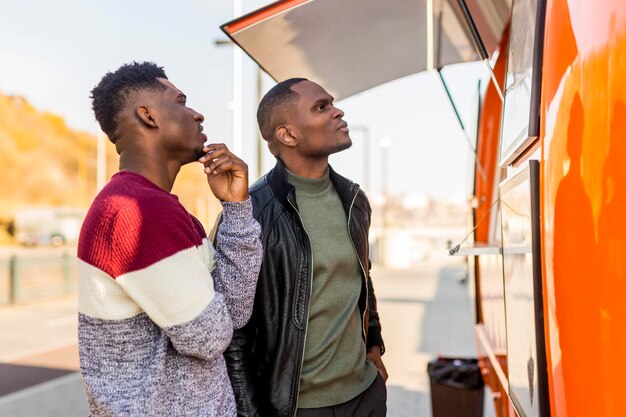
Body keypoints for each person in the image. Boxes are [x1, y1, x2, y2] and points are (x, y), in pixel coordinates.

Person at [77, 61, 262, 416]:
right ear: (148, 116)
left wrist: (236, 207)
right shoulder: (134, 211)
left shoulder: (166, 211)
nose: (198, 115)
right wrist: (215, 310)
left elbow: (234, 315)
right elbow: (210, 338)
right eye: (181, 101)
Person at [225, 78, 387, 417]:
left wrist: (374, 346)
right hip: (296, 407)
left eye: (332, 103)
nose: (338, 111)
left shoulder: (354, 200)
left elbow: (362, 279)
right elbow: (234, 331)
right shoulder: (252, 211)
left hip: (364, 396)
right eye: (321, 107)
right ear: (287, 135)